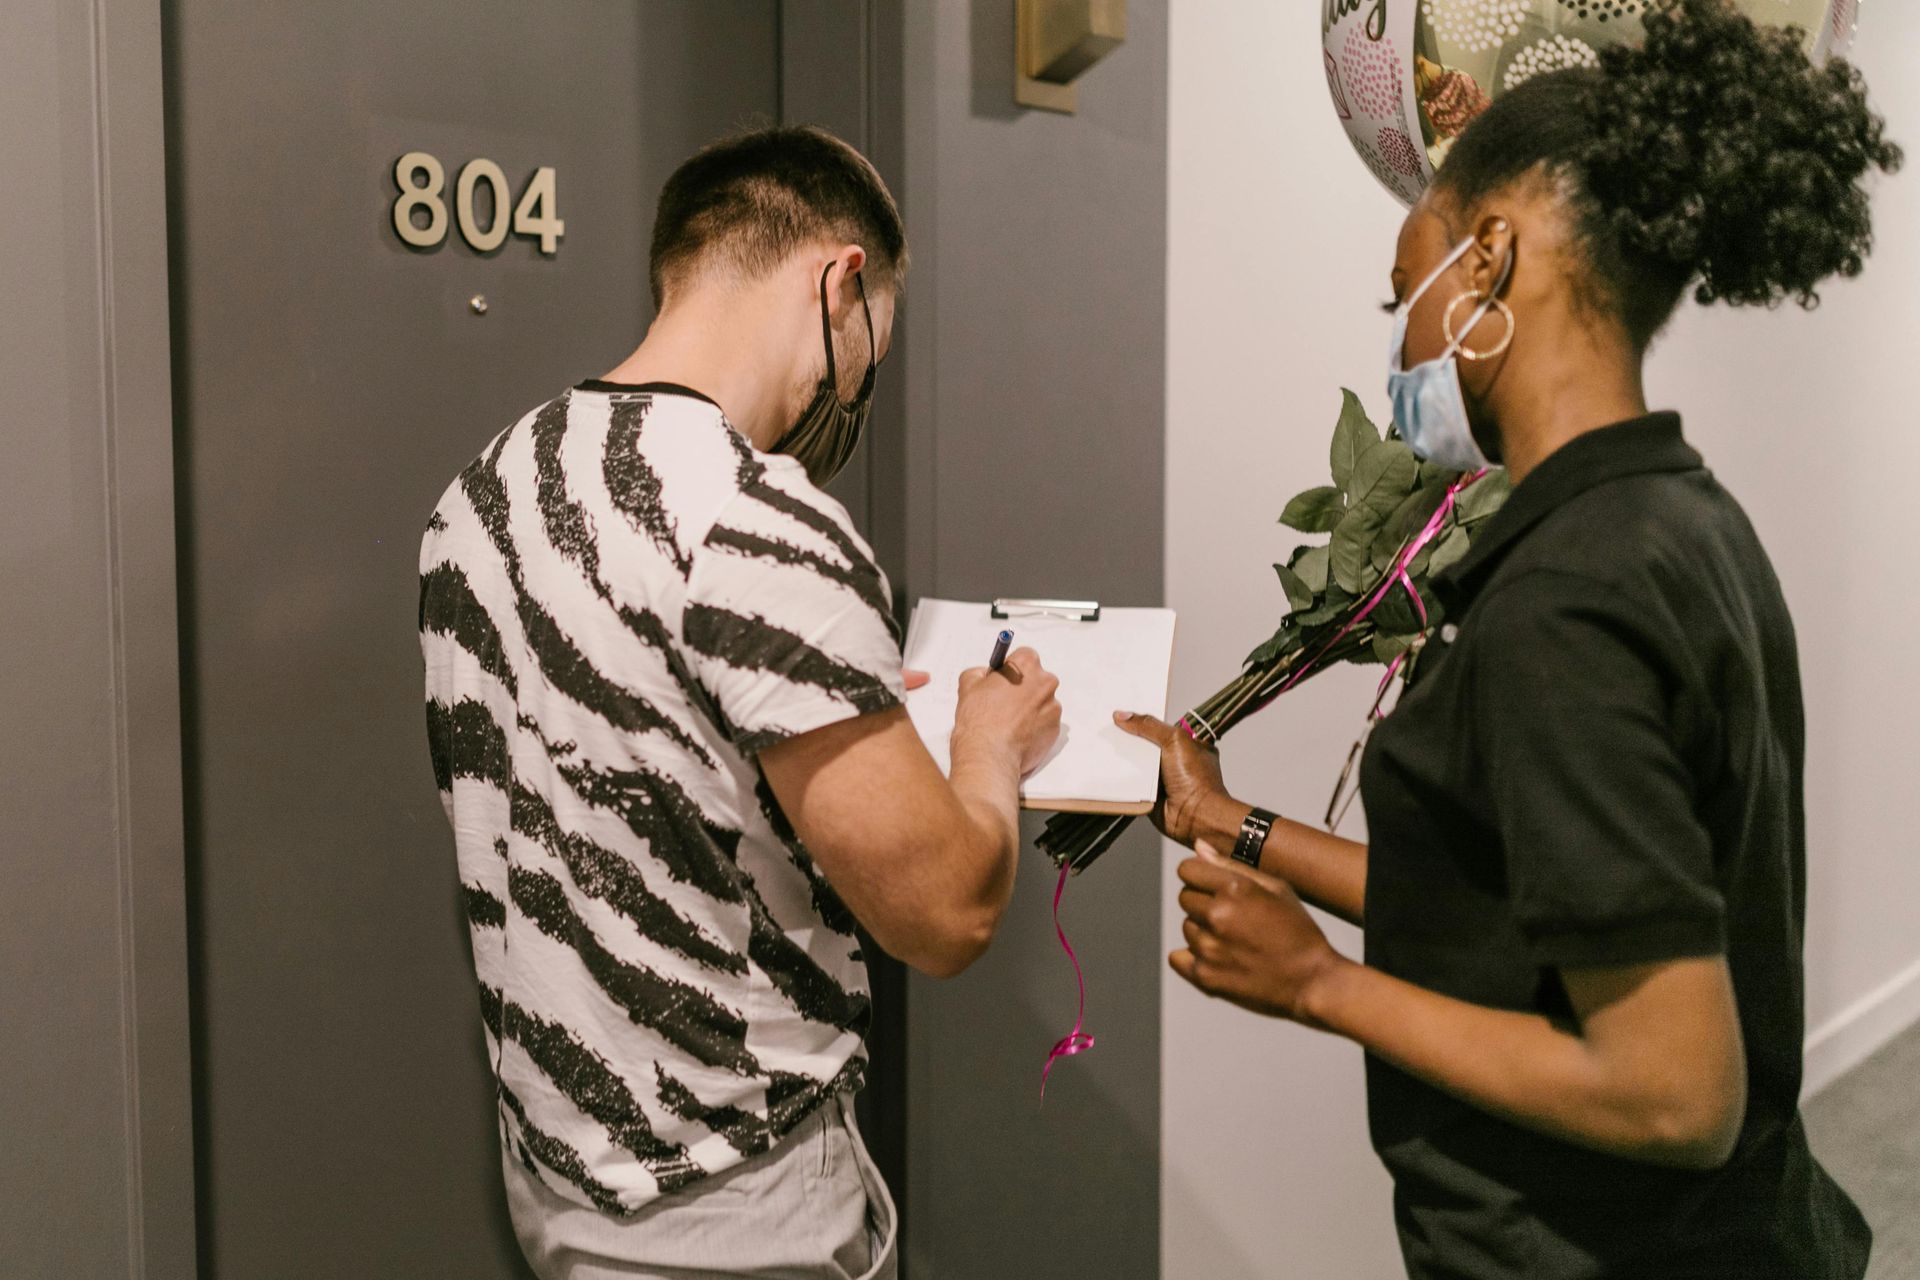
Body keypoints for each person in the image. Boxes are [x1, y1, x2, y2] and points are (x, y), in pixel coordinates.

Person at [1120, 3, 1899, 1276]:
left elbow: (1674, 1092)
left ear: (1485, 259)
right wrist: (1231, 820)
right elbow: (1521, 907)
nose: (1398, 341)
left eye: (1402, 290)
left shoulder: (1566, 601)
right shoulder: (1676, 516)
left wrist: (1319, 984)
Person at [418, 125, 1061, 1280]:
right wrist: (988, 747)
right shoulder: (760, 520)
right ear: (842, 281)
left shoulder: (483, 495)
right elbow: (947, 910)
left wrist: (831, 711)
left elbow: (636, 761)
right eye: (874, 346)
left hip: (559, 1179)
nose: (857, 380)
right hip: (735, 1203)